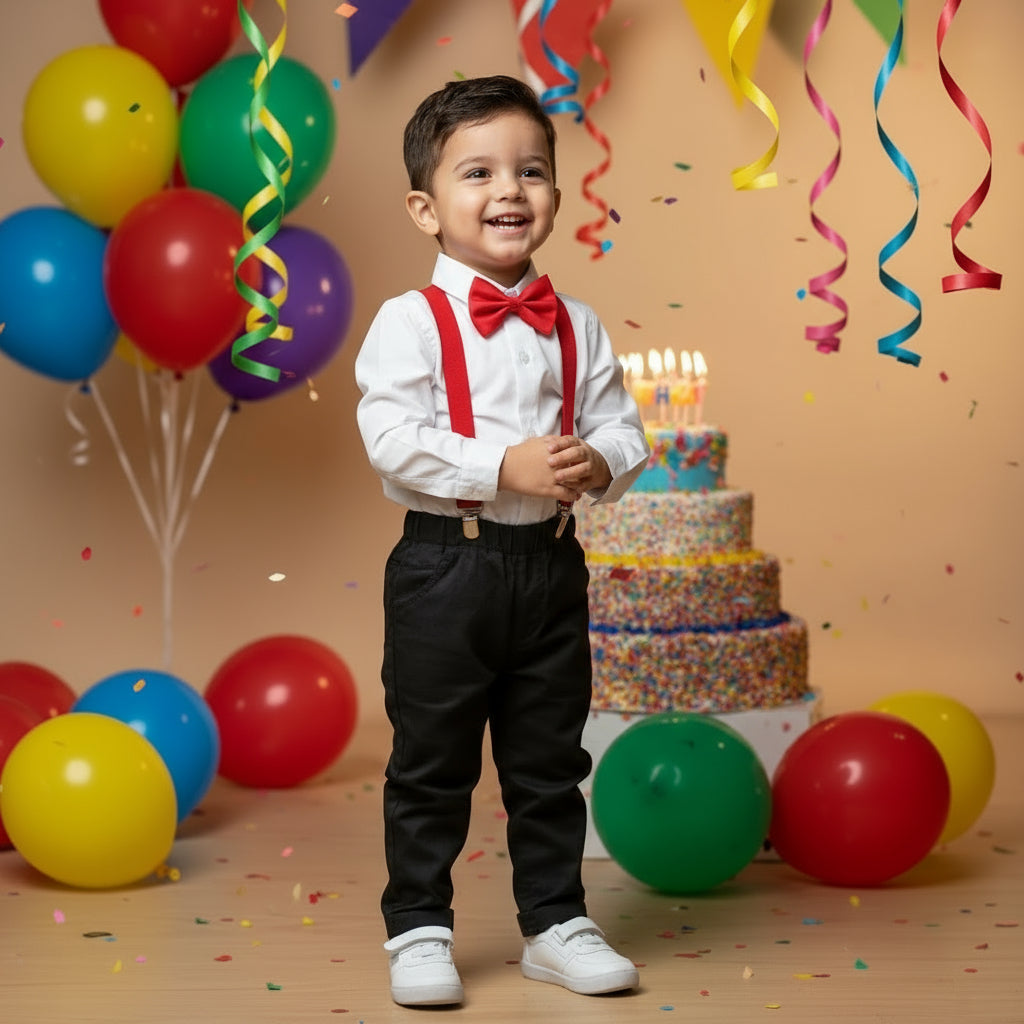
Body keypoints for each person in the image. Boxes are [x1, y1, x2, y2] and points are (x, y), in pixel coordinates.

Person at [354, 74, 650, 1008]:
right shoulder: (411, 321)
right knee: (432, 758)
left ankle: (555, 921)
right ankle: (419, 928)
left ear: (558, 194)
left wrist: (599, 465)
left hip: (552, 567)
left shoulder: (579, 323)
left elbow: (624, 428)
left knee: (549, 759)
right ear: (425, 207)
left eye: (531, 170)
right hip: (447, 567)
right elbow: (391, 440)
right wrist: (501, 468)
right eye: (477, 172)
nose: (508, 191)